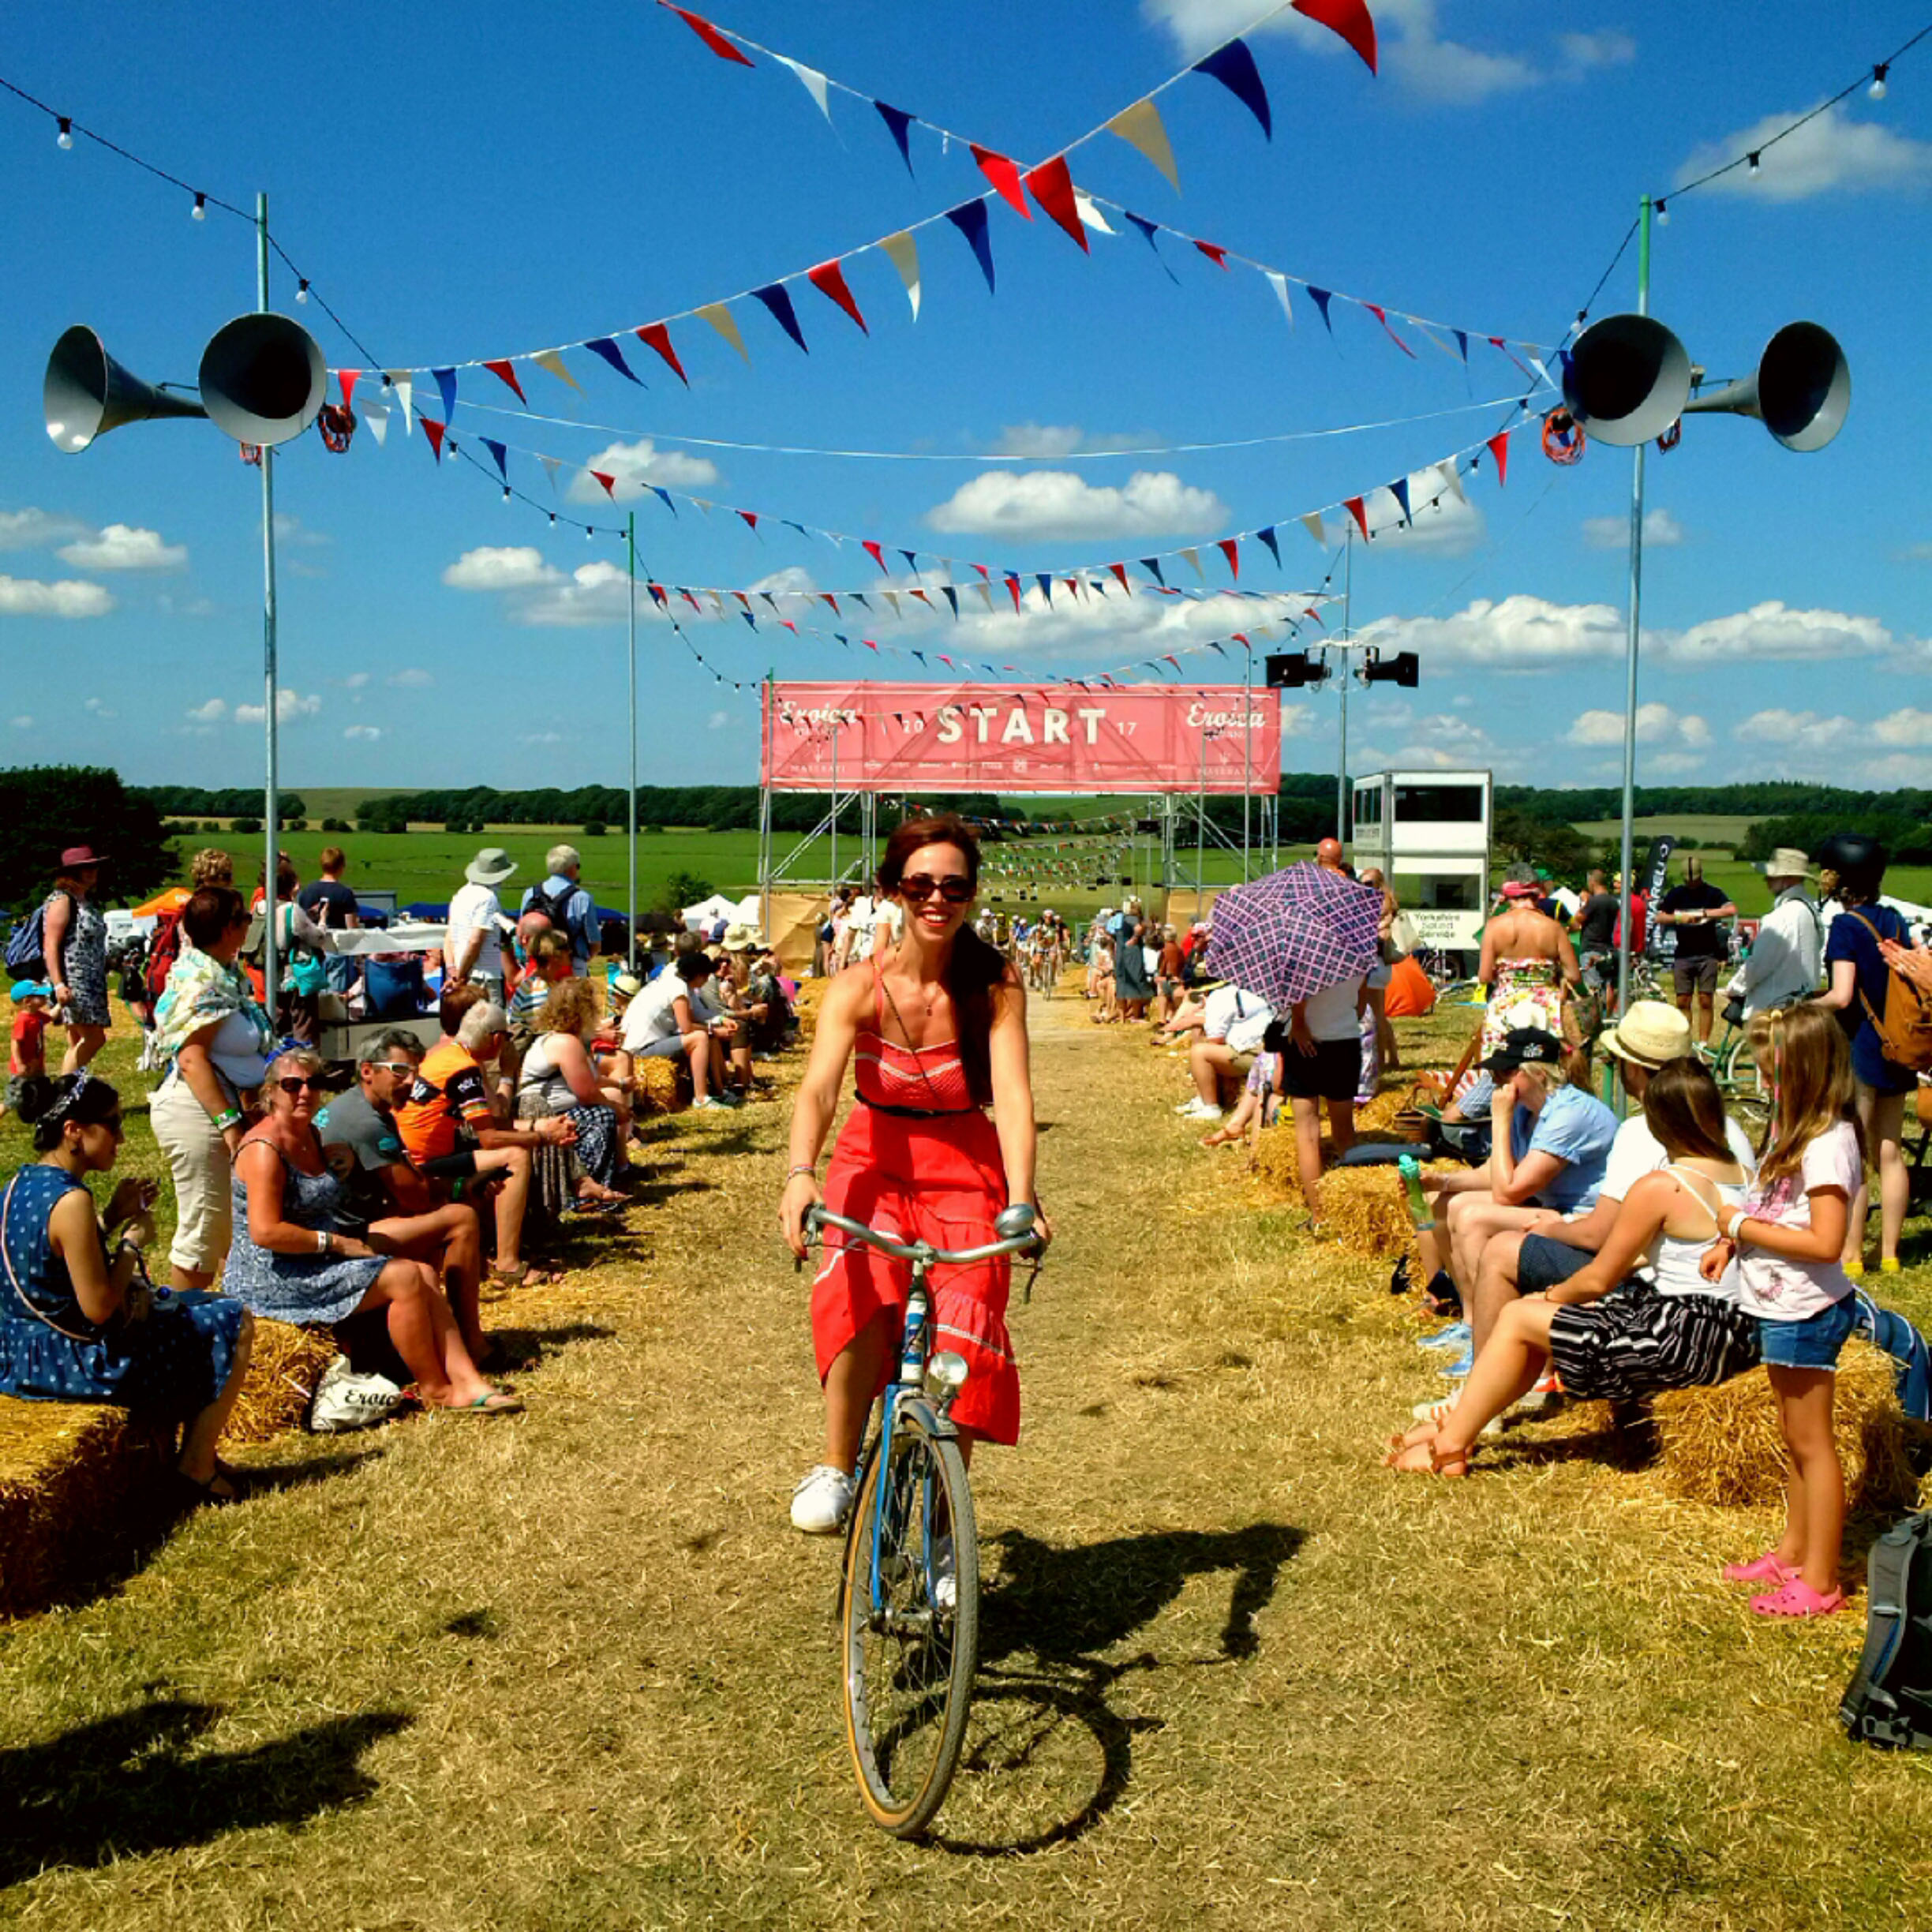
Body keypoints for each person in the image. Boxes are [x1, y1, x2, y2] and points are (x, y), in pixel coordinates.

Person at [781, 814, 1048, 1535]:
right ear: (892, 891)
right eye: (921, 884)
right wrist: (801, 1172)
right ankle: (836, 1465)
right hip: (874, 1160)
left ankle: (937, 1523)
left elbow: (1015, 1096)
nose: (938, 898)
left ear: (972, 893)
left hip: (966, 1166)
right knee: (864, 1296)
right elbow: (818, 1090)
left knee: (960, 1342)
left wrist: (1022, 1199)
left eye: (954, 886)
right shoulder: (857, 987)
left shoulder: (994, 983)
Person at [1387, 1058, 1758, 1477]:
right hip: (1733, 1332)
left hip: (1680, 1336)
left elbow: (1601, 1276)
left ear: (1659, 1123)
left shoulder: (1663, 1185)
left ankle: (1451, 1445)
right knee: (1530, 1323)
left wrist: (1550, 1296)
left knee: (1520, 1315)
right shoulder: (1747, 1174)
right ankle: (1459, 1427)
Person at [1448, 1003, 1758, 1412]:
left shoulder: (1641, 1131)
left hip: (1664, 1299)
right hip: (1727, 1309)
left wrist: (1550, 1229)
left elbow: (1599, 1238)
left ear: (1635, 1068)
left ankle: (1481, 1395)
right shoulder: (1731, 1127)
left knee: (1504, 1250)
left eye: (1618, 1060)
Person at [0, 1073, 255, 1503]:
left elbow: (53, 1262)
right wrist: (132, 1246)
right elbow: (99, 1307)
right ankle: (196, 1463)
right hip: (71, 1363)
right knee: (231, 1318)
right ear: (74, 1132)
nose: (121, 1136)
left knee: (187, 1309)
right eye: (113, 1124)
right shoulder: (71, 1201)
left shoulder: (17, 1185)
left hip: (17, 1355)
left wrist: (111, 1217)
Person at [227, 1048, 519, 1414]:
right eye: (291, 1085)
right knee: (406, 1277)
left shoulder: (311, 1136)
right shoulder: (264, 1149)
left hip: (316, 1258)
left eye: (313, 1084)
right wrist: (337, 1243)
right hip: (275, 1276)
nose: (304, 1092)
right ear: (270, 1092)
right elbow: (265, 1232)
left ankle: (468, 1380)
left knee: (425, 1274)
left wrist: (339, 1167)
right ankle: (437, 1390)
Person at [1698, 1005, 1860, 1617]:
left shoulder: (1827, 1144)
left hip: (1808, 1310)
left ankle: (1820, 1581)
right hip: (1782, 1305)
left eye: (1776, 1073)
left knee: (1814, 1445)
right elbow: (1775, 1210)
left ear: (1810, 1071)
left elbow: (1824, 1241)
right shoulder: (1794, 1132)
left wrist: (1739, 1224)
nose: (1768, 1085)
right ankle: (1795, 1550)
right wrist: (1730, 1241)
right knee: (1796, 1440)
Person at [1411, 1028, 1617, 1338]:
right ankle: (1470, 1320)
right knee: (1439, 1204)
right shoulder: (1527, 1110)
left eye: (1505, 1074)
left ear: (1534, 1072)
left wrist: (1500, 1119)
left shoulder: (1568, 1114)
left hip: (1584, 1217)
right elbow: (1492, 1175)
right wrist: (1440, 1181)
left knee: (1471, 1216)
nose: (1497, 1083)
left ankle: (1487, 1329)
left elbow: (1508, 1192)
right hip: (1548, 1205)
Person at [313, 1031, 503, 1367]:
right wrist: (461, 1189)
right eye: (400, 1071)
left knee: (435, 1221)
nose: (412, 1082)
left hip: (339, 1227)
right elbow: (416, 1197)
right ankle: (471, 1342)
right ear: (368, 1071)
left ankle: (433, 1333)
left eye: (416, 1071)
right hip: (342, 1239)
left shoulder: (354, 1105)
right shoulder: (367, 1123)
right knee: (461, 1219)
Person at [394, 985, 571, 1287]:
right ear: (497, 1039)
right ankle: (508, 1263)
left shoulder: (447, 1057)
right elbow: (490, 1137)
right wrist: (542, 1139)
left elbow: (491, 1127)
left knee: (513, 1146)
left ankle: (503, 1248)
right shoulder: (464, 1069)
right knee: (516, 1156)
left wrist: (539, 1128)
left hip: (418, 1154)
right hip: (425, 1163)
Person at [149, 886, 278, 1292]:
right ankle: (183, 1329)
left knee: (223, 1229)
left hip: (218, 1111)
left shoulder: (220, 973)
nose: (249, 925)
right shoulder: (201, 983)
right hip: (199, 1116)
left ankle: (211, 1322)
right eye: (243, 918)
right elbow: (191, 1059)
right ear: (226, 930)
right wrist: (229, 1126)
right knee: (204, 1233)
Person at [1814, 833, 1915, 1278]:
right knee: (1890, 1153)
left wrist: (1799, 1006)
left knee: (1853, 1153)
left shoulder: (1846, 926)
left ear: (1842, 879)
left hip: (1860, 1049)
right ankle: (1889, 1253)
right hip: (1898, 1044)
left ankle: (1851, 1255)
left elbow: (1840, 995)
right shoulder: (1894, 920)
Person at [515, 976, 631, 1215]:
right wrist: (617, 1109)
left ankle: (615, 1172)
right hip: (545, 1113)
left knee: (609, 1102)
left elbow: (593, 1080)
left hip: (559, 1107)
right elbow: (587, 1093)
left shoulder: (568, 1040)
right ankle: (583, 1191)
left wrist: (619, 1085)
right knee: (602, 1116)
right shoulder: (565, 1043)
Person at [1266, 967, 1365, 1221]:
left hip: (1305, 1038)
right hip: (1345, 1039)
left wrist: (1299, 1021)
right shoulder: (1359, 950)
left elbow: (1298, 989)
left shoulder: (1303, 948)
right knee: (1344, 1132)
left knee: (1308, 1133)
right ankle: (1352, 1209)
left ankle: (1319, 1215)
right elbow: (1362, 1005)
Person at [618, 945, 739, 1110]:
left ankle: (719, 1091)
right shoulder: (678, 988)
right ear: (697, 975)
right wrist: (714, 1030)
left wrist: (721, 1020)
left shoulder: (675, 982)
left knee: (707, 1036)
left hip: (644, 1043)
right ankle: (701, 1098)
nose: (705, 981)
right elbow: (687, 1027)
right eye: (705, 977)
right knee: (700, 1038)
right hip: (640, 1048)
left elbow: (696, 1012)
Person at [1478, 863, 1580, 1058]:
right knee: (1545, 1069)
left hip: (1505, 1005)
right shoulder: (1554, 928)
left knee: (1502, 1065)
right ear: (1536, 894)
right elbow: (1574, 976)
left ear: (1508, 895)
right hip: (1545, 1008)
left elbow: (1484, 976)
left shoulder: (1494, 927)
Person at [41, 845, 111, 1075]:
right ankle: (63, 1094)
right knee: (95, 1039)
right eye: (85, 868)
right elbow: (50, 945)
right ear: (70, 872)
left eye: (94, 866)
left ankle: (72, 1097)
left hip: (91, 981)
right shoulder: (62, 900)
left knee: (76, 1042)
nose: (92, 871)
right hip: (74, 982)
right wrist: (58, 984)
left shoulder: (85, 902)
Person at [1658, 857, 1737, 1044]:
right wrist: (1680, 918)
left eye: (1694, 880)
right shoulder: (1676, 894)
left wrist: (1705, 913)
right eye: (1688, 881)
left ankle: (1703, 1043)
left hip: (1707, 954)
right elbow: (1660, 917)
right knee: (1682, 1001)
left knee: (1705, 1000)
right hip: (1683, 953)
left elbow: (1731, 909)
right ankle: (1686, 1040)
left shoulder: (1713, 893)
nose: (1691, 884)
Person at [1740, 848, 1822, 1019]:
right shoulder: (1811, 910)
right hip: (1802, 1004)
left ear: (1788, 879)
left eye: (1773, 876)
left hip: (1775, 1009)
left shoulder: (1781, 916)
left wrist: (1735, 988)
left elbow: (1758, 965)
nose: (1766, 880)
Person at [1178, 983, 1275, 1123]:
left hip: (1254, 1053)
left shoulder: (1219, 996)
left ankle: (1210, 1106)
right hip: (1266, 1049)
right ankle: (1204, 1098)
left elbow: (1215, 1040)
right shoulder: (1253, 990)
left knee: (1199, 1053)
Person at [444, 847, 518, 1006]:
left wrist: (453, 971)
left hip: (462, 969)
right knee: (490, 1023)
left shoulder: (460, 895)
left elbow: (450, 936)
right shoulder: (488, 898)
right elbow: (475, 941)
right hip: (484, 974)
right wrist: (461, 975)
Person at [268, 859, 331, 1045]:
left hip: (273, 976)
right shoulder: (291, 909)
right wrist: (322, 919)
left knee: (281, 1025)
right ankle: (305, 1064)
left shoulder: (262, 907)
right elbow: (317, 937)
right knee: (304, 1025)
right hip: (296, 976)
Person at [520, 844, 599, 972]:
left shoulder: (530, 893)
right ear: (572, 868)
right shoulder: (582, 898)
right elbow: (594, 941)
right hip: (571, 963)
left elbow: (522, 931)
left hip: (537, 964)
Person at [297, 845, 361, 995]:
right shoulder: (345, 893)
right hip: (337, 949)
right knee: (334, 995)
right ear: (341, 866)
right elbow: (351, 927)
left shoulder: (307, 891)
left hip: (312, 949)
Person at [6, 979, 54, 1118]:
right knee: (14, 1099)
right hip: (23, 1068)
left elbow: (51, 1017)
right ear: (27, 1001)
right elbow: (16, 1043)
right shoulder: (23, 1020)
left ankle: (42, 1116)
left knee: (41, 1092)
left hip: (36, 1065)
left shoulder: (37, 1015)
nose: (45, 998)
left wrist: (63, 1005)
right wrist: (19, 1063)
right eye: (40, 996)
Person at [1571, 868, 1619, 994]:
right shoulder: (1613, 902)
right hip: (1607, 947)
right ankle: (1607, 1013)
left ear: (1592, 882)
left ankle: (1596, 1013)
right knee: (1608, 986)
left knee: (1592, 987)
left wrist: (1584, 902)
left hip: (1591, 947)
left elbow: (1578, 918)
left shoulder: (1593, 901)